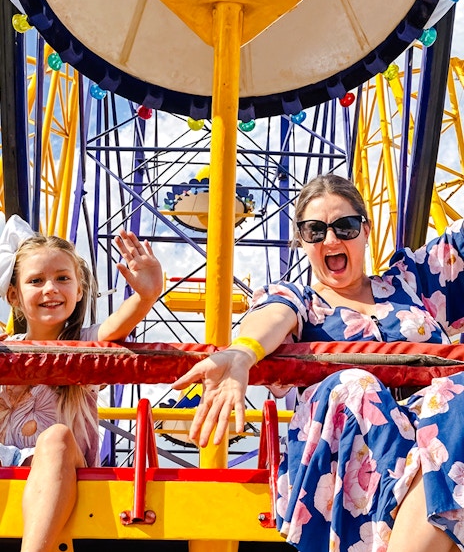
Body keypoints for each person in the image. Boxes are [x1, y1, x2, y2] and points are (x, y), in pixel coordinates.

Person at [173, 173, 464, 552]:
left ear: (366, 230)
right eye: (315, 230)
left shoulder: (414, 284)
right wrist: (242, 352)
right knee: (356, 385)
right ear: (301, 240)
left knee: (455, 397)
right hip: (348, 442)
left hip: (432, 433)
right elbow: (274, 317)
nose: (331, 240)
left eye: (344, 226)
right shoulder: (302, 301)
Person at [0, 214, 162, 552]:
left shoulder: (84, 344)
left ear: (79, 289)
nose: (51, 289)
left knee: (56, 438)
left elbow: (113, 329)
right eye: (36, 281)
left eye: (62, 278)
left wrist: (146, 297)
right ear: (14, 295)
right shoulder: (5, 348)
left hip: (63, 468)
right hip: (5, 463)